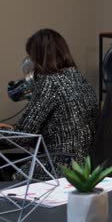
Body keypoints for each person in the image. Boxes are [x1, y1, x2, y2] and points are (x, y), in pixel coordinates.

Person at [0, 28, 98, 180]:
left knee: (11, 173)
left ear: (38, 57)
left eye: (31, 56)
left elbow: (22, 136)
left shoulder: (50, 82)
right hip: (84, 167)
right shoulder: (81, 81)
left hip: (56, 168)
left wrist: (7, 132)